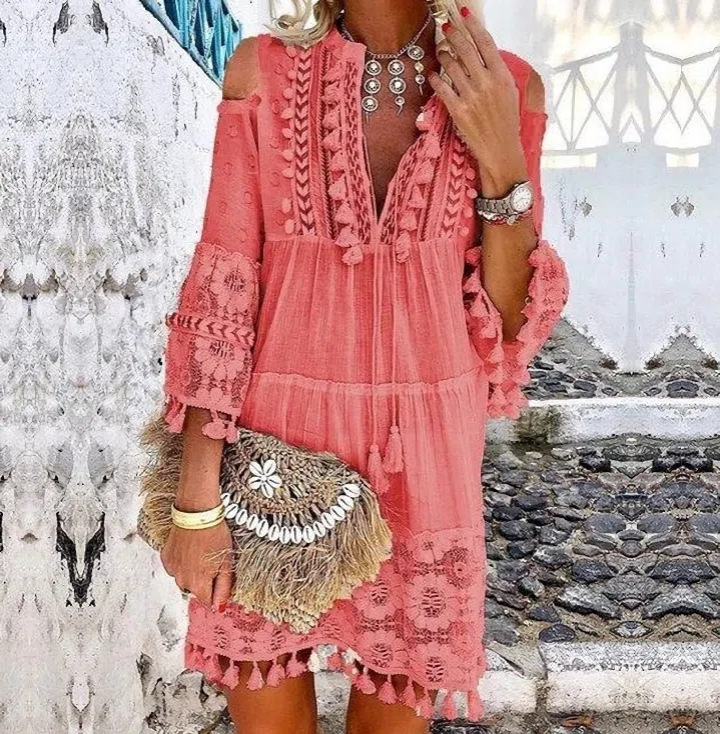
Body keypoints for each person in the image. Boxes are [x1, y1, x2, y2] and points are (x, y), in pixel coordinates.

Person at [157, 0, 569, 732]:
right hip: (270, 472)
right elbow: (223, 290)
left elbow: (507, 327)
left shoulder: (507, 87)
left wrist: (502, 155)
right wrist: (195, 503)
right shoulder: (262, 74)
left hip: (425, 478)